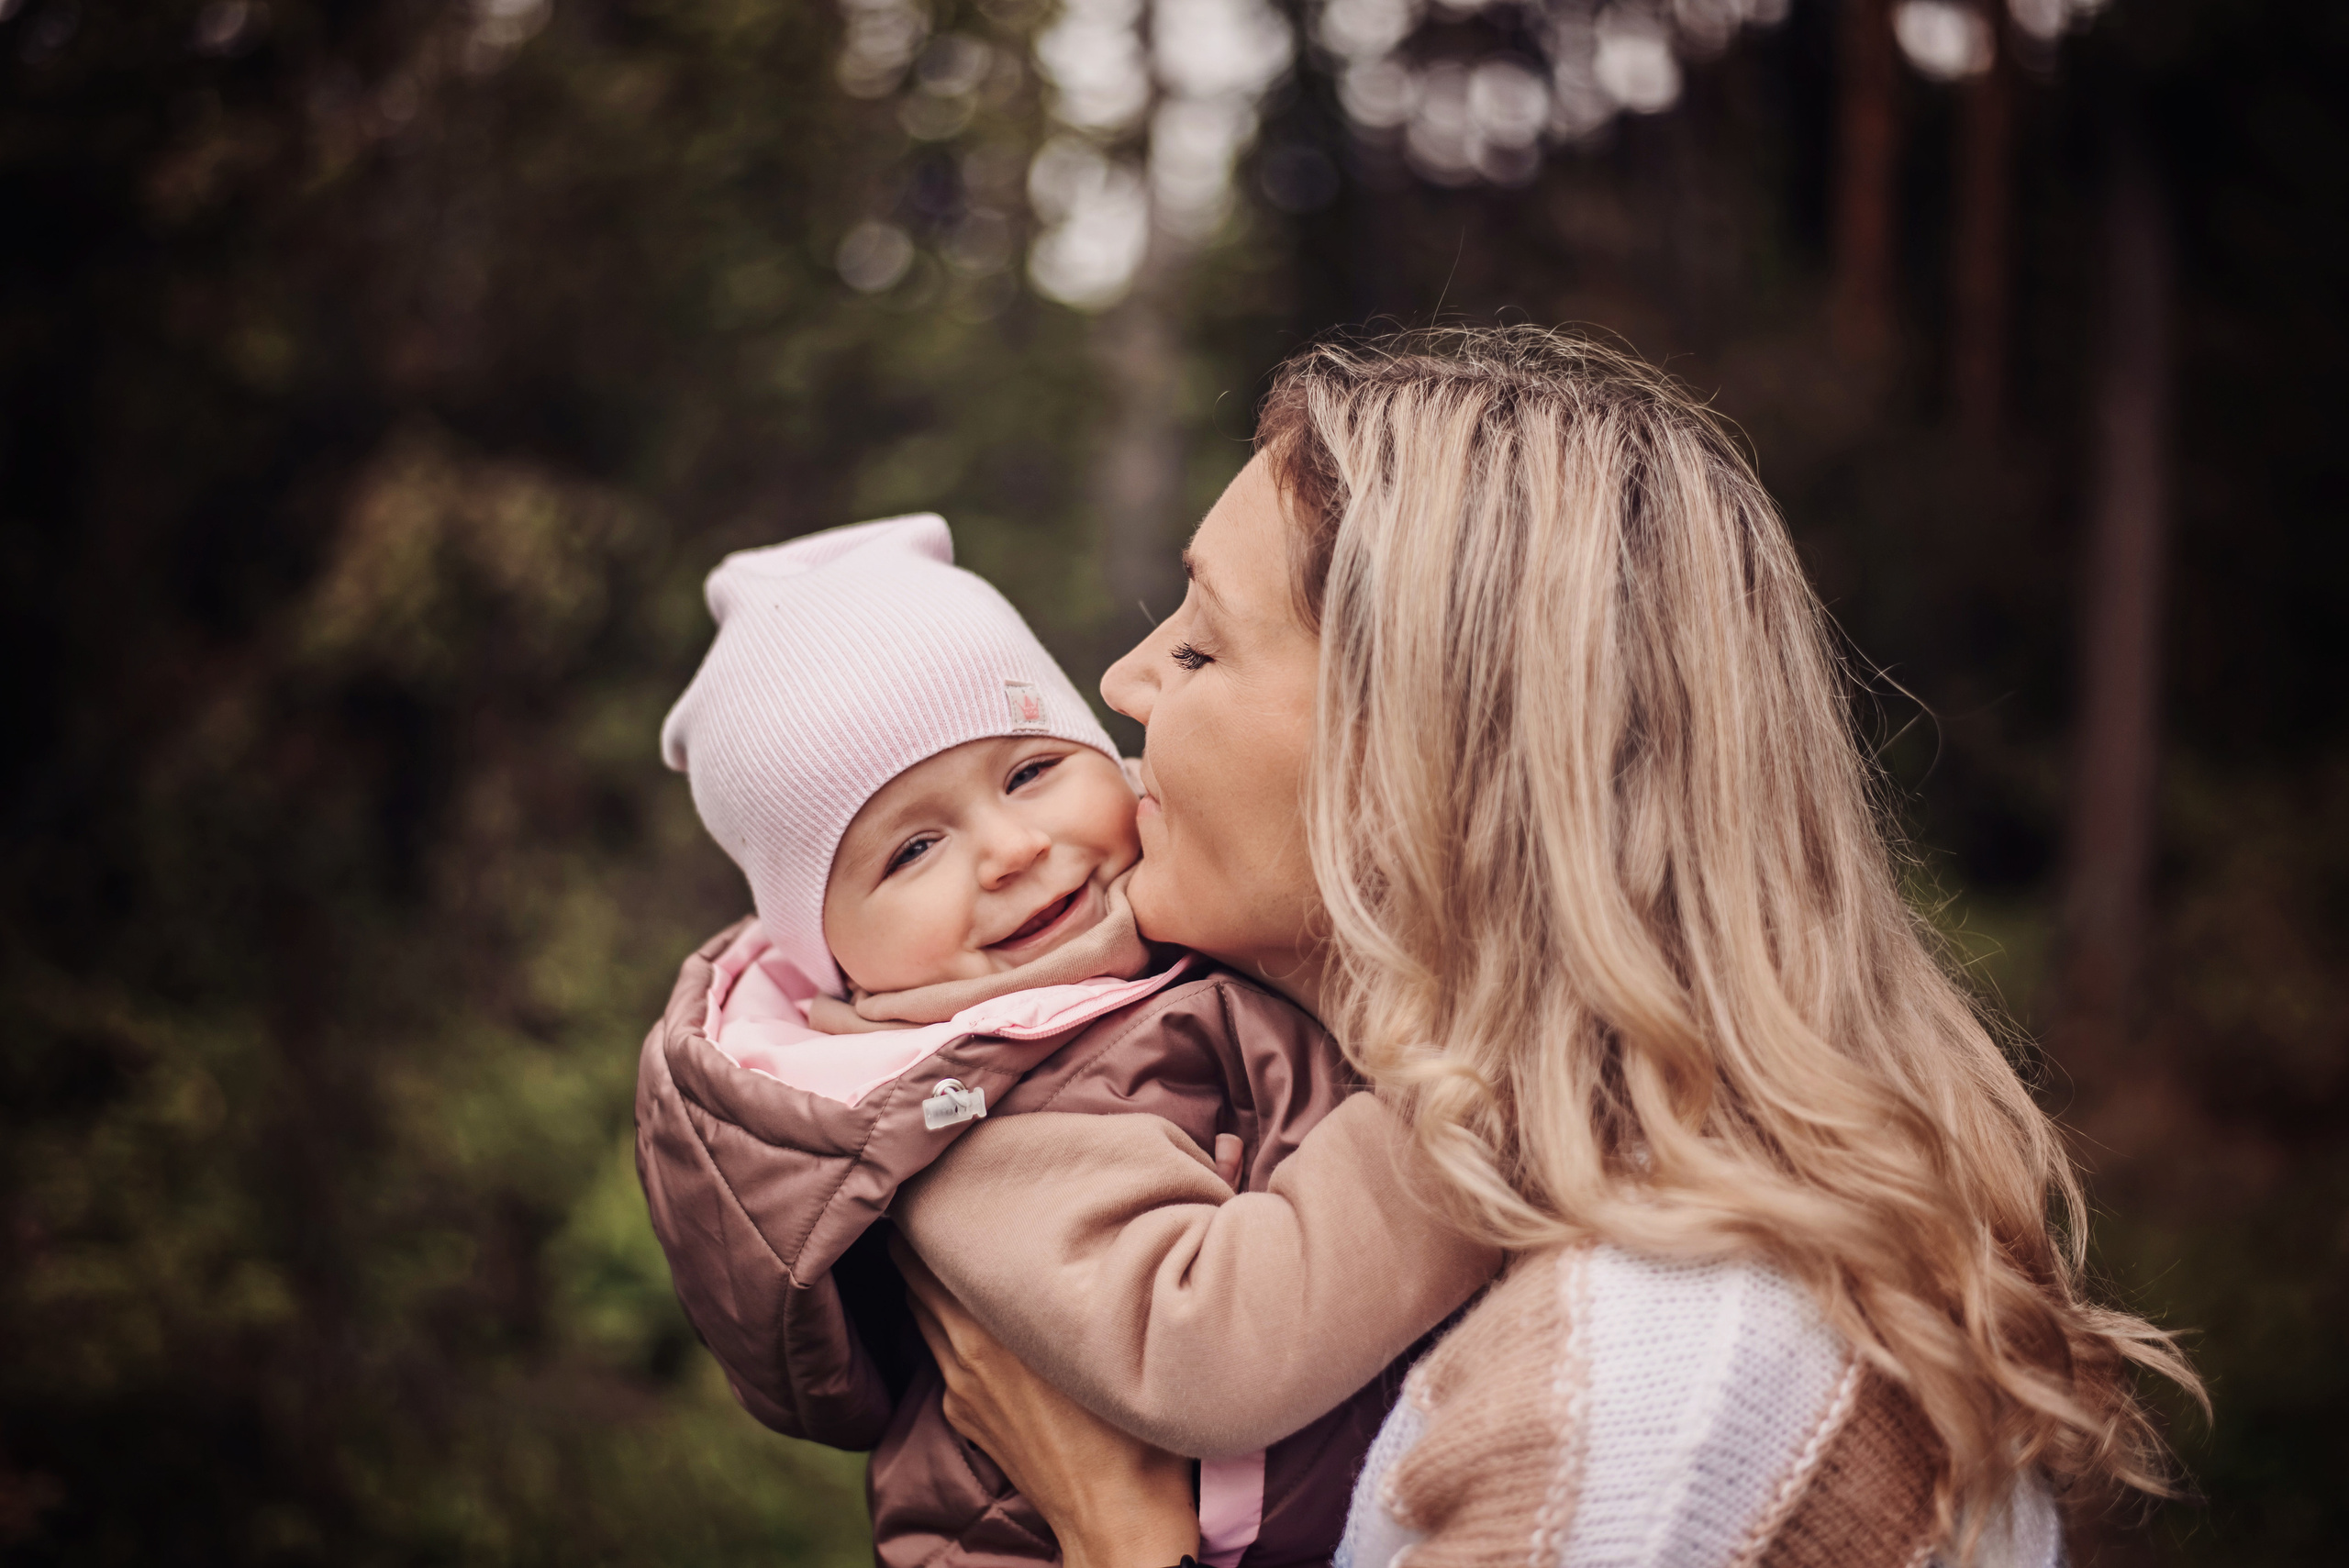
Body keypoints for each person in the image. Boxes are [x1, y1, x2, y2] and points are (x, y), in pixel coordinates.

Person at [875, 328, 2204, 1567]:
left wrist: (1116, 1532)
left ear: (1413, 764)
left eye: (1205, 644)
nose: (1124, 681)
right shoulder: (1565, 1260)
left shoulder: (1639, 1405)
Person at [636, 513, 1497, 1567]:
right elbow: (1209, 1343)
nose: (1008, 849)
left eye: (1030, 771)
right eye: (911, 849)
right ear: (832, 956)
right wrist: (1475, 1108)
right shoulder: (966, 1121)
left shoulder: (1158, 954)